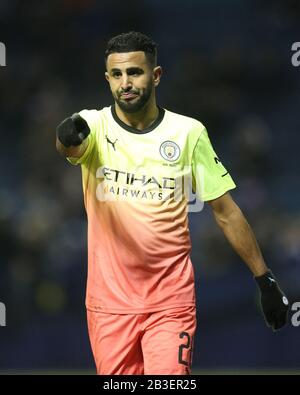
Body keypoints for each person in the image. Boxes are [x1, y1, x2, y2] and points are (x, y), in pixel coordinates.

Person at [56, 31, 289, 375]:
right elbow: (70, 144)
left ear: (156, 75)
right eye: (117, 75)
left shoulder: (188, 133)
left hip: (170, 303)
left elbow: (226, 213)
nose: (126, 83)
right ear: (107, 79)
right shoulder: (93, 124)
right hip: (108, 306)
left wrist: (264, 279)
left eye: (134, 72)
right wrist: (64, 137)